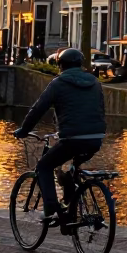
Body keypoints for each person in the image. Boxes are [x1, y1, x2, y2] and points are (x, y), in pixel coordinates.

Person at [13, 48, 106, 228]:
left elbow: (38, 109)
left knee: (44, 166)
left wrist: (24, 130)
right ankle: (70, 206)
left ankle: (51, 208)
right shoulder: (95, 82)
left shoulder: (58, 83)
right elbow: (101, 109)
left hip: (72, 138)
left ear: (60, 65)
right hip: (96, 137)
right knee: (70, 169)